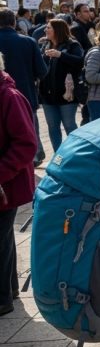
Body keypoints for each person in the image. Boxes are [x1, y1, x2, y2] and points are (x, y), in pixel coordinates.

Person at [0, 52, 36, 316]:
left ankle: (2, 298)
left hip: (5, 183)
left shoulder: (9, 96)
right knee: (3, 238)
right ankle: (9, 288)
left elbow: (27, 144)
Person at [0, 8, 47, 166]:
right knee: (28, 130)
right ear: (14, 22)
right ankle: (34, 157)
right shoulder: (27, 41)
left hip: (2, 95)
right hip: (25, 93)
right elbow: (42, 71)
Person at [38, 19, 83, 152]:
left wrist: (61, 55)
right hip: (47, 95)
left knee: (69, 125)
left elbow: (80, 62)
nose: (45, 30)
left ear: (57, 30)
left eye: (48, 28)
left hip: (66, 94)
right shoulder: (46, 44)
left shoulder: (72, 45)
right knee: (52, 127)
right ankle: (58, 155)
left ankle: (75, 154)